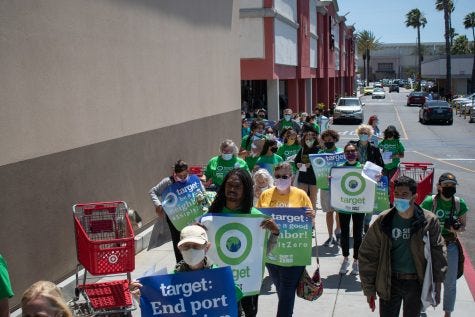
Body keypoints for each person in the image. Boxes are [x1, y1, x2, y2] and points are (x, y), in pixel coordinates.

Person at [359, 176, 447, 317]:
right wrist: (369, 289)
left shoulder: (428, 221)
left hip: (416, 283)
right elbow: (368, 254)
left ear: (415, 196)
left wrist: (437, 285)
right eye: (397, 194)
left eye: (404, 195)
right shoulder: (384, 220)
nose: (399, 198)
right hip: (389, 281)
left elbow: (439, 253)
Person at [208, 168, 280, 317]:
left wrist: (275, 233)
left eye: (237, 186)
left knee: (250, 312)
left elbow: (263, 252)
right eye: (229, 185)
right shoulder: (211, 216)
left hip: (248, 279)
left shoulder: (256, 218)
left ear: (246, 189)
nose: (232, 189)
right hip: (221, 279)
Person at [256, 162, 316, 317]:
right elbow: (257, 219)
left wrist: (311, 216)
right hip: (272, 253)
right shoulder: (265, 195)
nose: (281, 179)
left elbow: (310, 222)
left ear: (291, 177)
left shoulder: (301, 195)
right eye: (277, 176)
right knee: (282, 291)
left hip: (295, 253)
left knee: (287, 291)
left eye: (284, 176)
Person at [420, 173, 469, 317]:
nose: (449, 188)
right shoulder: (430, 201)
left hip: (450, 244)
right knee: (425, 277)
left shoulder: (460, 203)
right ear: (439, 187)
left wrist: (456, 228)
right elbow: (420, 220)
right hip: (432, 244)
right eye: (446, 185)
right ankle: (422, 307)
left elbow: (463, 226)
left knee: (450, 282)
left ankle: (448, 313)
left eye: (452, 185)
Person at [149, 160, 191, 263]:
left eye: (185, 175)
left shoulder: (191, 180)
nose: (182, 178)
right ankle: (180, 263)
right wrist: (158, 204)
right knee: (178, 240)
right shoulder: (168, 181)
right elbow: (152, 191)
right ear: (175, 173)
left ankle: (191, 262)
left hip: (189, 214)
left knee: (189, 239)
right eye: (180, 176)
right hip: (173, 216)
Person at [337, 143, 365, 276]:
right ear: (344, 154)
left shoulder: (363, 168)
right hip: (344, 206)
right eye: (348, 151)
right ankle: (346, 258)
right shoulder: (339, 169)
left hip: (359, 205)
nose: (351, 153)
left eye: (353, 151)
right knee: (344, 233)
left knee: (358, 233)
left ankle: (356, 260)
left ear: (357, 152)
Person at [353, 124, 385, 233]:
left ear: (370, 135)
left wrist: (380, 173)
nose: (363, 135)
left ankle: (366, 223)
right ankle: (358, 224)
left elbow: (381, 164)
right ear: (358, 134)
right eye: (361, 133)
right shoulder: (352, 146)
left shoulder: (374, 148)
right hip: (355, 178)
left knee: (370, 203)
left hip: (370, 179)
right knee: (358, 201)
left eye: (365, 133)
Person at [318, 129, 342, 246]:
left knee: (338, 212)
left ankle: (338, 232)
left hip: (339, 187)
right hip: (325, 187)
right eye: (326, 140)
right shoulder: (320, 154)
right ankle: (329, 236)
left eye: (330, 140)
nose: (328, 141)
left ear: (335, 139)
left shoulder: (341, 152)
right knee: (329, 212)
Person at [294, 123, 320, 211]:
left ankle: (312, 221)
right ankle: (303, 217)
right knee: (303, 198)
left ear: (315, 139)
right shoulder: (302, 149)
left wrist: (311, 165)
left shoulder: (318, 150)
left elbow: (320, 163)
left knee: (313, 199)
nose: (308, 140)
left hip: (314, 178)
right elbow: (296, 161)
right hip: (303, 177)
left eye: (311, 139)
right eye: (307, 139)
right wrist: (298, 165)